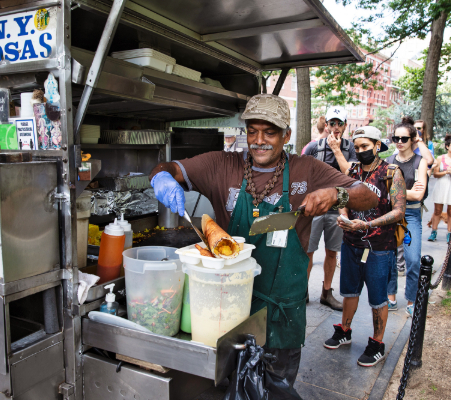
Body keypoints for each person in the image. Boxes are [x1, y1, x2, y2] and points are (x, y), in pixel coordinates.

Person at [149, 94, 379, 385]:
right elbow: (165, 168)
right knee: (228, 387)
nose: (259, 140)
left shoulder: (306, 169)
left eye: (269, 132)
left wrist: (337, 194)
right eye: (252, 131)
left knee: (276, 388)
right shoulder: (221, 165)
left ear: (287, 135)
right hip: (229, 308)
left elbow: (369, 194)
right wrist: (162, 178)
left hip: (280, 315)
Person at [323, 125, 406, 367]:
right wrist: (344, 216)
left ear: (377, 146)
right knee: (349, 290)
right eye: (357, 147)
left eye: (365, 147)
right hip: (351, 242)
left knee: (378, 297)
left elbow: (399, 211)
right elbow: (342, 197)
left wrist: (367, 225)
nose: (360, 151)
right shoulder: (353, 170)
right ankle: (345, 330)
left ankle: (377, 343)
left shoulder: (391, 173)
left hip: (380, 246)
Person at [302, 106, 358, 310]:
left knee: (332, 252)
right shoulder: (313, 147)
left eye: (339, 123)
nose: (335, 127)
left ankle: (327, 292)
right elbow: (301, 173)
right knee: (308, 251)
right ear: (326, 125)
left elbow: (352, 176)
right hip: (315, 209)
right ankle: (303, 290)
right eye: (332, 123)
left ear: (345, 126)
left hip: (338, 208)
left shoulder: (349, 148)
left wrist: (336, 149)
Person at [385, 117, 428, 317]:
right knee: (391, 257)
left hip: (411, 213)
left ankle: (411, 299)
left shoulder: (420, 162)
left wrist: (394, 190)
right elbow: (383, 191)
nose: (399, 142)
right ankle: (390, 297)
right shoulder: (389, 162)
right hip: (391, 213)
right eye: (396, 138)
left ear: (412, 139)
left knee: (413, 259)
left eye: (404, 138)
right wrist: (403, 191)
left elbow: (419, 195)